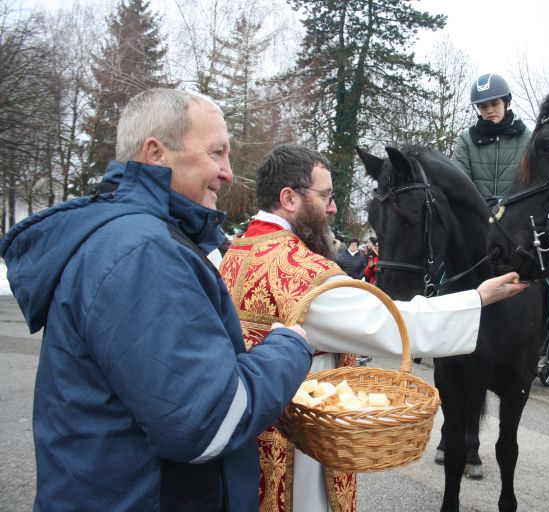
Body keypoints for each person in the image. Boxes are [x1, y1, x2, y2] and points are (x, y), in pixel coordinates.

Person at [0, 88, 314, 511]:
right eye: (217, 153)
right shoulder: (142, 252)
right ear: (156, 154)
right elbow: (205, 422)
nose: (227, 172)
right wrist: (289, 349)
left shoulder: (132, 237)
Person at [219, 143, 529, 512]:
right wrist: (477, 298)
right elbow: (389, 322)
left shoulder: (236, 251)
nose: (333, 207)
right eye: (326, 196)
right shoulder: (300, 273)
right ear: (289, 198)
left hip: (242, 440)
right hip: (295, 448)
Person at [451, 72, 549, 367]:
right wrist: (484, 206)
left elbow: (539, 179)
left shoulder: (528, 138)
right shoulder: (465, 141)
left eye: (493, 103)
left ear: (506, 102)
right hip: (479, 221)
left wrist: (511, 206)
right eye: (482, 106)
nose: (488, 110)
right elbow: (460, 180)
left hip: (521, 223)